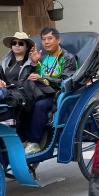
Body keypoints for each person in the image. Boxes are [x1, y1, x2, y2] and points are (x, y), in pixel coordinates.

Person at [23, 27, 78, 156]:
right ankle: (24, 138)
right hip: (43, 91)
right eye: (43, 39)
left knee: (40, 106)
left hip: (58, 93)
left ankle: (34, 142)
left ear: (58, 40)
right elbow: (39, 75)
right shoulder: (45, 58)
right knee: (23, 103)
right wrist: (35, 63)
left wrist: (43, 78)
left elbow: (66, 81)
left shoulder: (67, 58)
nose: (46, 42)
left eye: (50, 38)